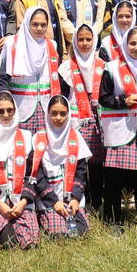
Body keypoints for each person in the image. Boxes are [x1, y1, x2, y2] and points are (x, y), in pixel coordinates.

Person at [99, 27, 137, 225]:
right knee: (114, 177)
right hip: (119, 129)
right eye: (132, 43)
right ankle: (112, 218)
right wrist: (123, 101)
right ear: (125, 44)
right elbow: (103, 98)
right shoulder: (111, 68)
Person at [0, 92, 40, 250]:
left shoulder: (26, 137)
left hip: (21, 202)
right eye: (0, 111)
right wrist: (0, 204)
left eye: (10, 110)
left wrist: (23, 202)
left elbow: (33, 174)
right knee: (9, 243)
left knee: (30, 243)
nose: (6, 115)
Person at [59, 23, 105, 211]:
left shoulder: (102, 66)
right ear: (74, 41)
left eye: (88, 39)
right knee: (78, 161)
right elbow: (62, 96)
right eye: (81, 39)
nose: (85, 43)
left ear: (94, 41)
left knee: (97, 162)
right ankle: (81, 199)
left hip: (97, 120)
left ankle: (97, 201)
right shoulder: (65, 68)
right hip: (76, 119)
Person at [34, 95, 92, 239]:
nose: (58, 118)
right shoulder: (38, 139)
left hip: (71, 199)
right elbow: (38, 177)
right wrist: (55, 202)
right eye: (54, 113)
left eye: (62, 114)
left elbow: (81, 172)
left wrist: (75, 198)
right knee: (59, 234)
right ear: (47, 114)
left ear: (68, 114)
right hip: (49, 200)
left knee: (80, 232)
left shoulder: (76, 137)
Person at [4, 7, 63, 135]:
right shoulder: (11, 44)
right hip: (20, 108)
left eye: (43, 25)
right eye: (35, 24)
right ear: (27, 23)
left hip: (45, 108)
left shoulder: (51, 45)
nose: (39, 29)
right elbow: (3, 78)